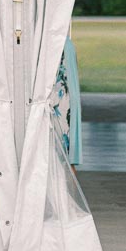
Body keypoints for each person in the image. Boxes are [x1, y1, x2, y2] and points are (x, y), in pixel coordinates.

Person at [50, 32, 82, 169]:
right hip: (65, 101)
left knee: (60, 155)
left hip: (59, 101)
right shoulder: (66, 44)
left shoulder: (57, 44)